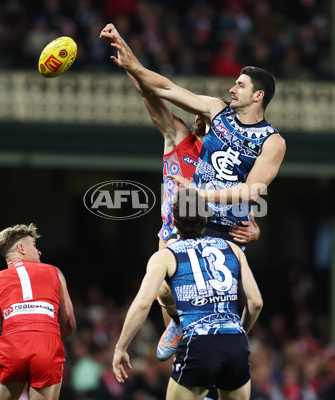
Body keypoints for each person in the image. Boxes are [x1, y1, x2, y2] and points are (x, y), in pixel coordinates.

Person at [105, 25, 261, 363]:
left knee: (211, 308)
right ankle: (177, 327)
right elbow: (153, 95)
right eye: (198, 118)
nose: (200, 121)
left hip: (212, 234)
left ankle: (208, 365)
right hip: (174, 229)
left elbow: (248, 200)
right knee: (163, 288)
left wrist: (255, 225)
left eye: (205, 118)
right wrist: (131, 63)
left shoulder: (229, 161)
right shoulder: (179, 140)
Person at [100, 23, 286, 245]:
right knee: (166, 274)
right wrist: (131, 64)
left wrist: (252, 225)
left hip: (228, 233)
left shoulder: (272, 141)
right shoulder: (209, 116)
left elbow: (250, 192)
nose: (232, 89)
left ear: (258, 96)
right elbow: (162, 89)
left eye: (240, 86)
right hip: (184, 227)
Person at [112, 189, 263, 400]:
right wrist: (239, 334)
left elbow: (143, 303)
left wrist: (121, 347)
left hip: (198, 342)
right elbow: (256, 302)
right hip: (235, 342)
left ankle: (176, 323)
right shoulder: (232, 248)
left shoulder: (165, 256)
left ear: (173, 218)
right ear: (207, 217)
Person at [0, 223, 76, 400]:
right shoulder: (55, 273)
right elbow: (69, 323)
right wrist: (45, 338)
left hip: (12, 344)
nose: (39, 252)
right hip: (47, 343)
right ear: (21, 248)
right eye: (34, 245)